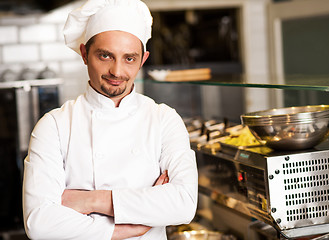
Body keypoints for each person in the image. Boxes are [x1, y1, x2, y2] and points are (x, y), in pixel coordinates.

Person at [22, 0, 198, 239]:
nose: (117, 71)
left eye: (129, 58)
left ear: (143, 60)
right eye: (105, 56)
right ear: (84, 54)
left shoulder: (163, 119)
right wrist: (126, 228)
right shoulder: (54, 125)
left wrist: (90, 200)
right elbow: (39, 223)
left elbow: (184, 203)